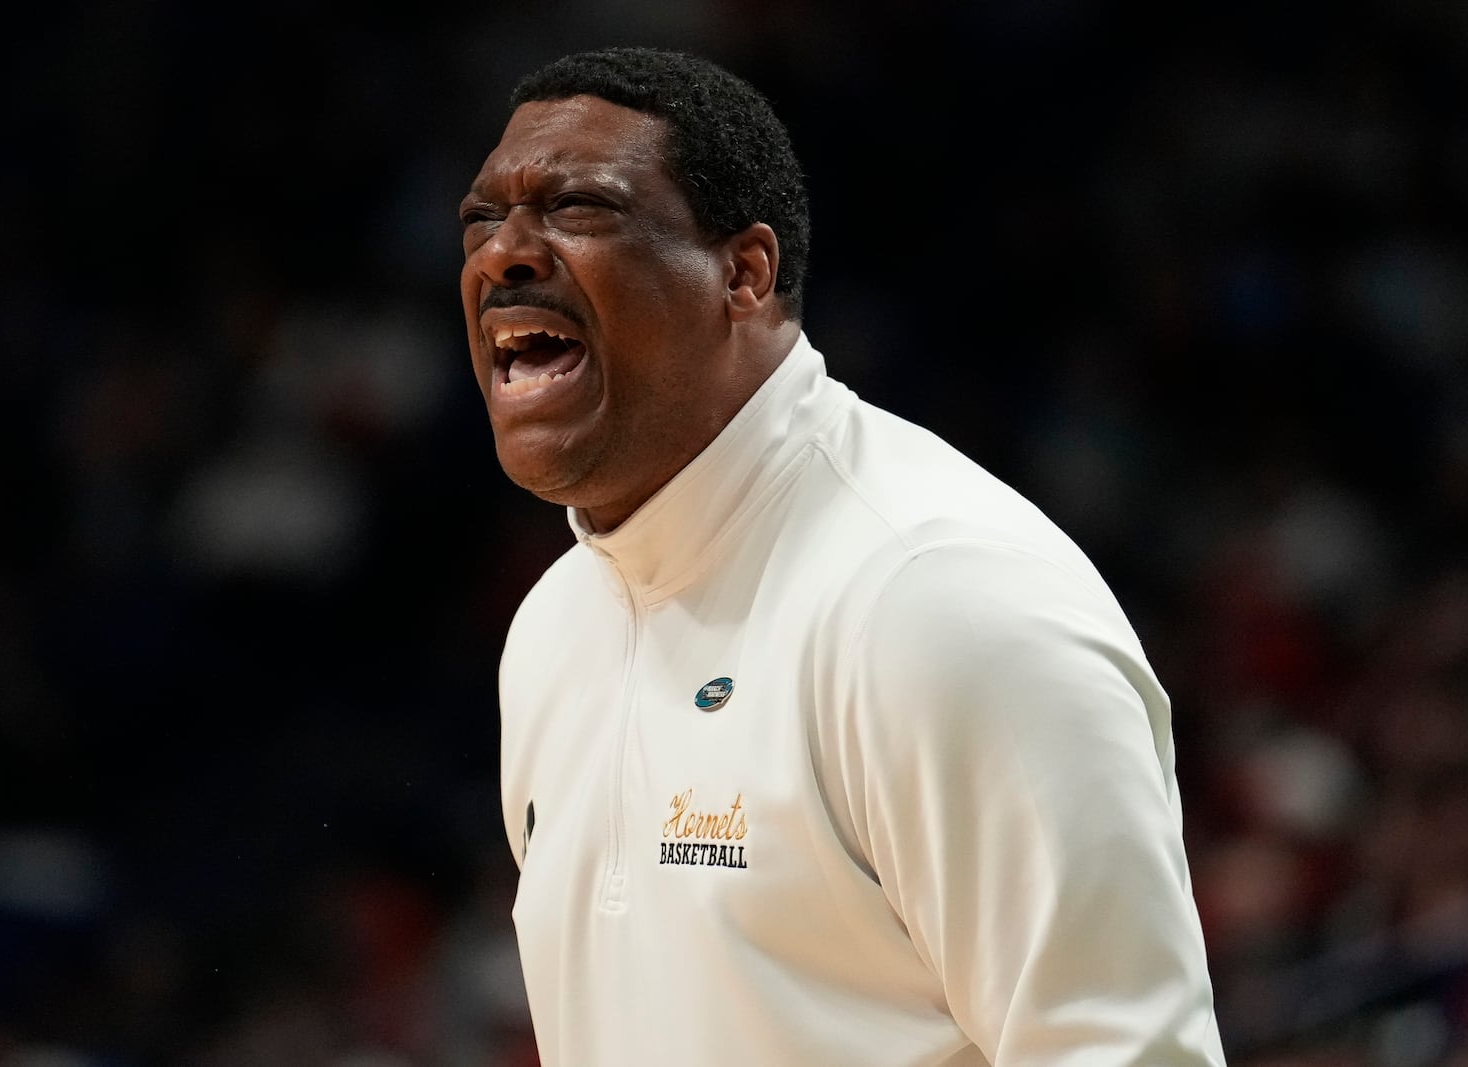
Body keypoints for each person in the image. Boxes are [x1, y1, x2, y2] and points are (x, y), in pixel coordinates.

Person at [457, 45, 1228, 1066]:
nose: (503, 251)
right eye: (480, 219)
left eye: (578, 207)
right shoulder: (554, 628)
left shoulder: (935, 596)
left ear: (744, 273)